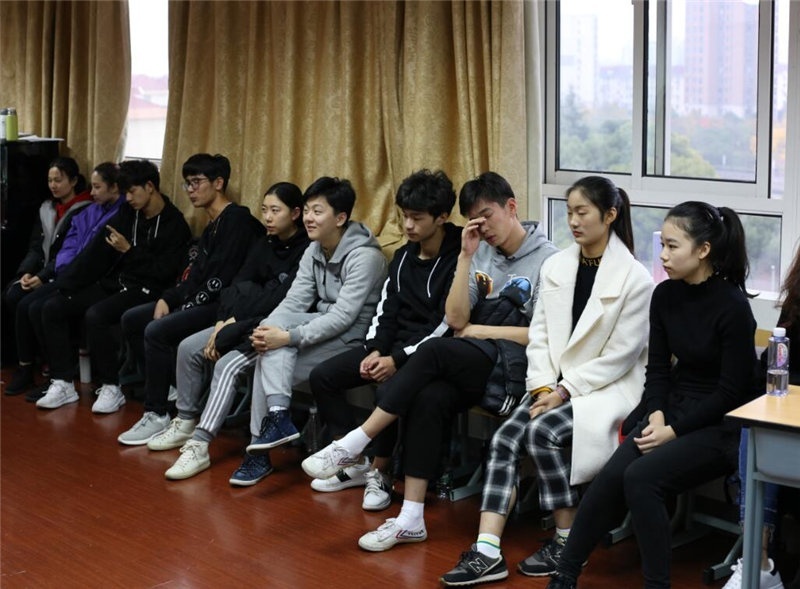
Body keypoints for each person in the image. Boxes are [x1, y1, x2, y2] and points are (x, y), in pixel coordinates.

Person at [302, 171, 558, 552]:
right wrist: (466, 257)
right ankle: (411, 518)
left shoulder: (549, 260)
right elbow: (456, 319)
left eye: (488, 215)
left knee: (433, 351)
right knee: (428, 396)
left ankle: (355, 442)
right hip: (472, 360)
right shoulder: (477, 251)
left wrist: (479, 330)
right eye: (474, 219)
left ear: (511, 207)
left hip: (514, 366)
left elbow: (544, 335)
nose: (483, 227)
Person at [440, 176, 653, 585]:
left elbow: (620, 356)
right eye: (569, 212)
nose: (573, 221)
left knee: (542, 433)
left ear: (610, 215)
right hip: (552, 385)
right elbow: (540, 337)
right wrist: (541, 386)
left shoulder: (635, 279)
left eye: (582, 212)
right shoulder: (557, 266)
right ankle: (487, 550)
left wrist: (563, 390)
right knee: (504, 439)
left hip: (606, 388)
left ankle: (567, 542)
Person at [544, 201, 759, 589]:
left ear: (703, 250)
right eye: (662, 244)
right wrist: (657, 414)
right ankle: (566, 573)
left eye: (673, 246)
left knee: (642, 478)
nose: (663, 255)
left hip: (721, 424)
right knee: (611, 476)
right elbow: (657, 370)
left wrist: (672, 432)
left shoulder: (733, 307)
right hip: (673, 409)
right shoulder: (665, 296)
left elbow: (731, 393)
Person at [307, 169, 462, 509]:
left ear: (441, 217)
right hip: (390, 347)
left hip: (425, 354)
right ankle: (353, 460)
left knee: (389, 390)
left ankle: (381, 472)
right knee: (323, 376)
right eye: (404, 216)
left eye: (416, 218)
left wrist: (397, 359)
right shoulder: (404, 256)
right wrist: (376, 349)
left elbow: (444, 326)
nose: (407, 225)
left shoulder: (459, 257)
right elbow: (386, 308)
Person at [145, 182, 310, 480]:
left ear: (296, 213)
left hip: (267, 327)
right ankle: (185, 420)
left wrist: (235, 321)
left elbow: (278, 301)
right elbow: (236, 286)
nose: (268, 217)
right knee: (188, 348)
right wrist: (224, 321)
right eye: (264, 210)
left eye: (275, 210)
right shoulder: (264, 242)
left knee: (226, 364)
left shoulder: (305, 251)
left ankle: (201, 444)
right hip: (237, 320)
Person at [235, 176, 387, 485]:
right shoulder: (314, 249)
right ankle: (276, 422)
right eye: (306, 210)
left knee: (271, 359)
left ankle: (261, 449)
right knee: (269, 349)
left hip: (353, 337)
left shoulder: (366, 257)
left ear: (340, 218)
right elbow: (295, 300)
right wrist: (268, 330)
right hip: (319, 325)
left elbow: (343, 318)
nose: (308, 218)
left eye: (317, 211)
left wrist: (287, 337)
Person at [116, 154, 263, 443]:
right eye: (187, 184)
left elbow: (219, 281)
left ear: (218, 183)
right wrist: (169, 299)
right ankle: (168, 385)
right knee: (133, 319)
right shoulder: (212, 225)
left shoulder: (237, 221)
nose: (191, 190)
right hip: (204, 299)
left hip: (226, 307)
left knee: (157, 330)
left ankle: (157, 412)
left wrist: (182, 307)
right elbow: (195, 274)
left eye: (197, 182)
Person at [33, 159, 192, 410]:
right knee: (53, 306)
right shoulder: (128, 213)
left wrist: (129, 251)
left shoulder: (175, 224)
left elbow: (163, 273)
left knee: (97, 315)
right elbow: (96, 252)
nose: (127, 198)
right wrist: (62, 283)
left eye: (132, 191)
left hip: (151, 289)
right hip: (118, 283)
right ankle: (63, 382)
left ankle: (111, 386)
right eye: (125, 192)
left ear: (150, 187)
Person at [722, 245, 800, 589]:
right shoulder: (797, 298)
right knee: (755, 427)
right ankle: (760, 562)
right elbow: (772, 364)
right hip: (790, 418)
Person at [2, 157, 93, 395]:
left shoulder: (84, 210)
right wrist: (26, 272)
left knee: (29, 305)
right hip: (42, 271)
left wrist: (42, 276)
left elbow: (69, 254)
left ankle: (50, 367)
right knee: (12, 295)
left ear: (73, 181)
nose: (53, 185)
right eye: (50, 180)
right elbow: (36, 246)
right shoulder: (46, 208)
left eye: (58, 180)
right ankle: (26, 364)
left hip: (63, 274)